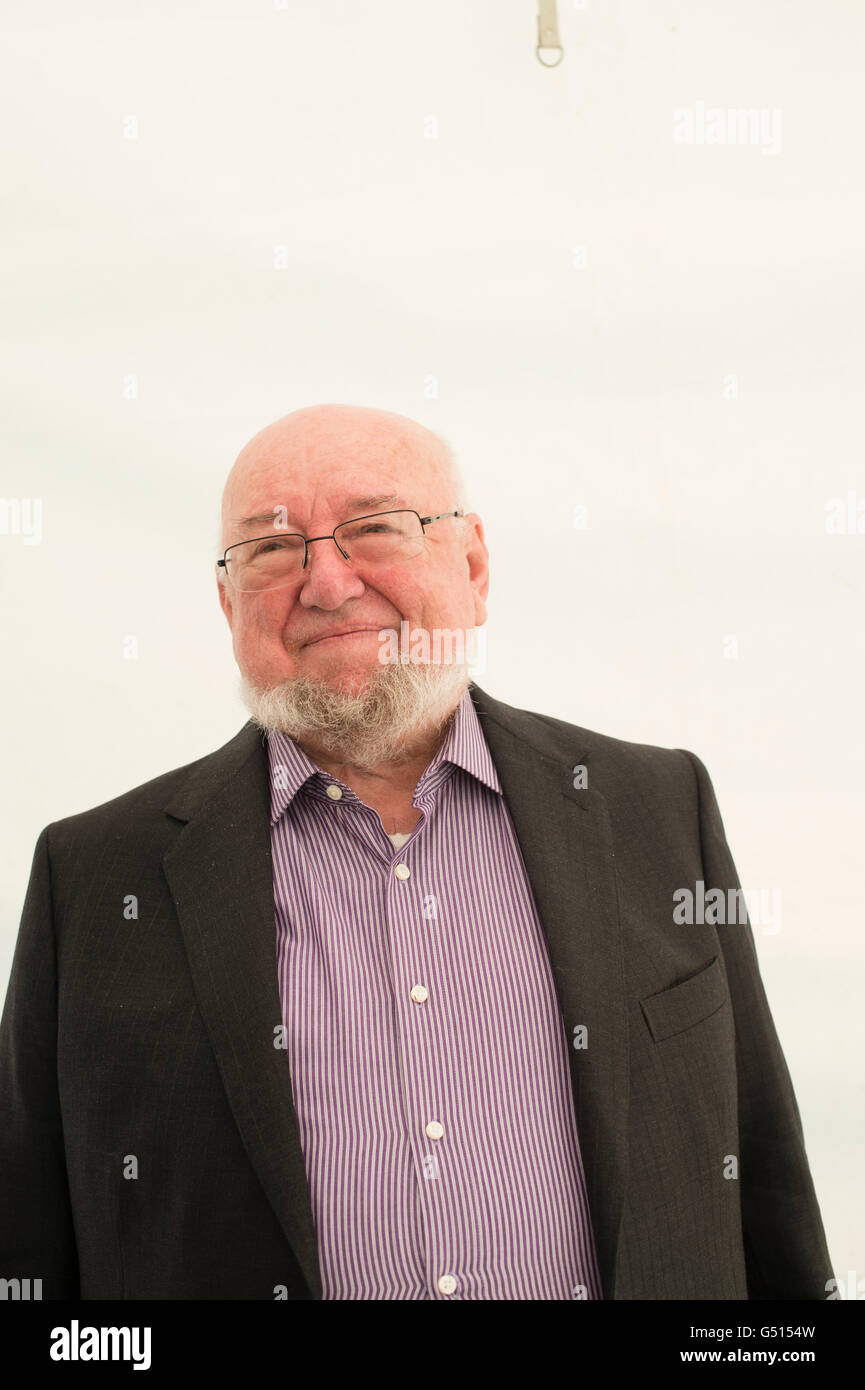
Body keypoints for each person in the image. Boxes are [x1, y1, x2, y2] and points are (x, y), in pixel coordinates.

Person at [0, 404, 834, 1299]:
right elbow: (29, 1245)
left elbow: (762, 1179)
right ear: (226, 599)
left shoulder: (654, 809)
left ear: (472, 566)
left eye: (375, 529)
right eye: (271, 550)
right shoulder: (90, 877)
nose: (325, 583)